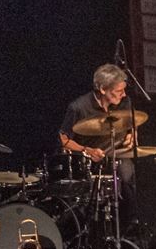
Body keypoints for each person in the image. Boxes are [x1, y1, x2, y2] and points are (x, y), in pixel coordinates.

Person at [59, 63, 139, 218]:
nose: (123, 94)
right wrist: (85, 150)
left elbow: (134, 121)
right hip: (90, 161)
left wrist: (133, 134)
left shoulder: (125, 102)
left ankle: (129, 224)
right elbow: (63, 139)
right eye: (119, 91)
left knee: (127, 178)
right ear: (103, 89)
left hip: (118, 156)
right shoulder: (78, 107)